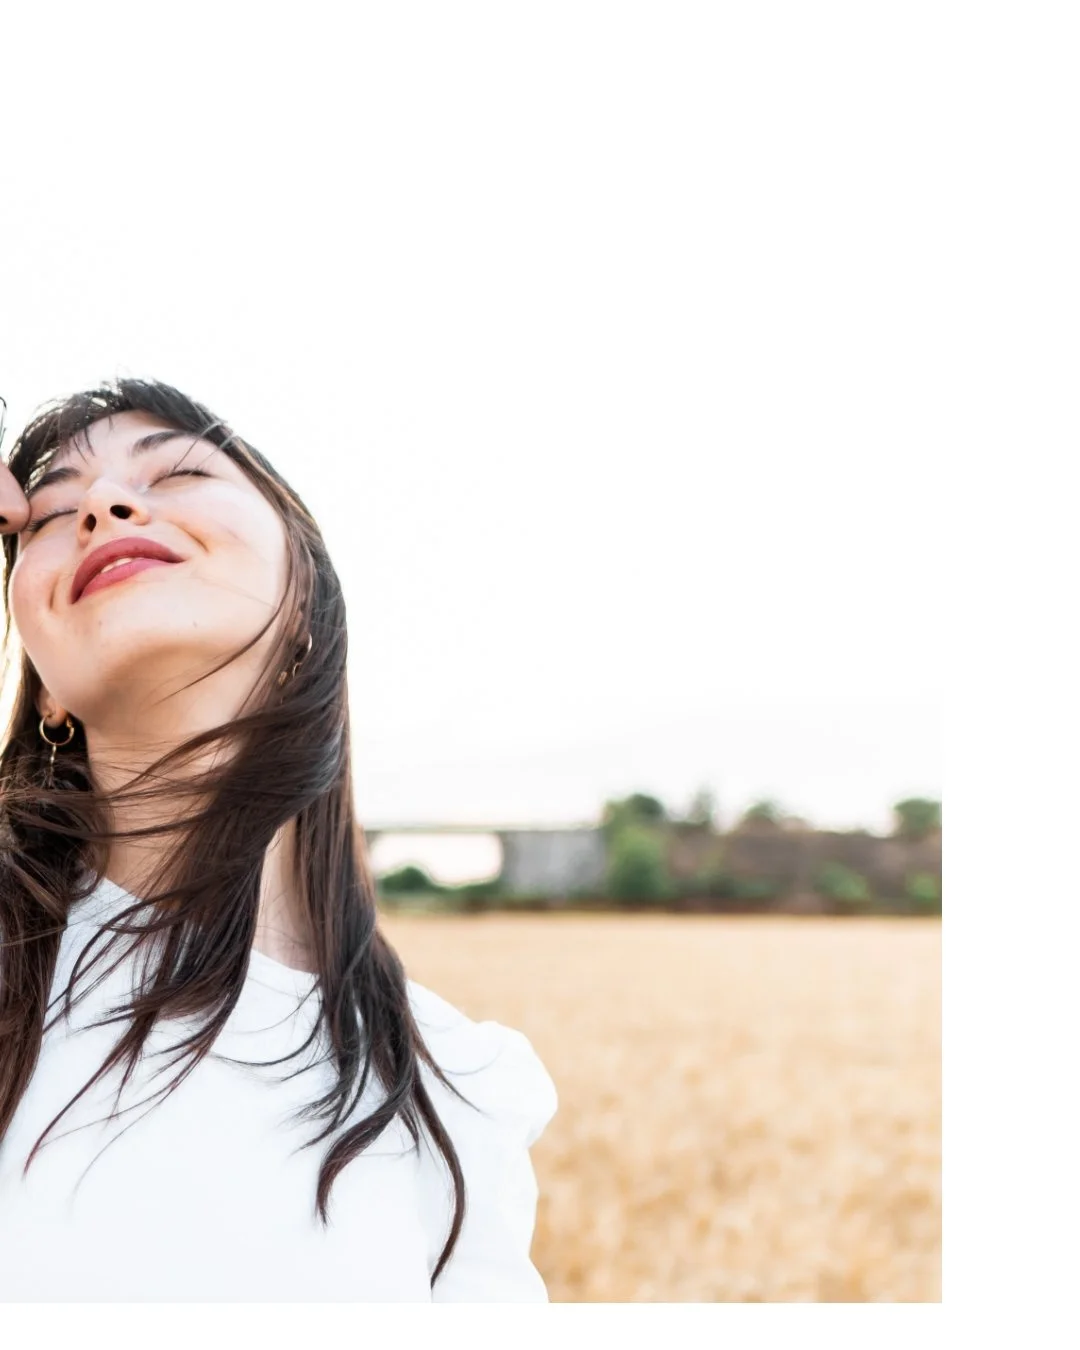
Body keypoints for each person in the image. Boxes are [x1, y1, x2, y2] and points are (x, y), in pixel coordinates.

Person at [0, 380, 558, 1302]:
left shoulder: (462, 1093)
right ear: (45, 686)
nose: (106, 505)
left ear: (306, 597)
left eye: (177, 471)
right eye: (55, 511)